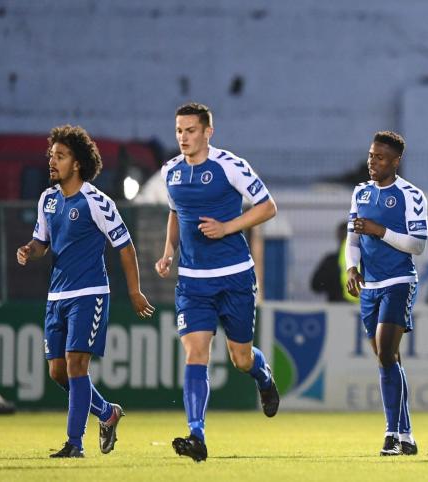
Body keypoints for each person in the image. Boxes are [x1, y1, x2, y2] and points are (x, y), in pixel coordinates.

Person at [17, 125, 154, 457]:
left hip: (89, 293)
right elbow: (42, 242)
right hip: (57, 296)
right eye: (52, 156)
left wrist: (135, 291)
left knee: (77, 366)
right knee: (58, 372)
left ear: (77, 164)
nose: (53, 162)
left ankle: (74, 444)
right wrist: (29, 250)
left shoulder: (96, 201)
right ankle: (107, 413)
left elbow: (125, 247)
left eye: (60, 157)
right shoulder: (47, 199)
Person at [155, 103, 279, 462]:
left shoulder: (229, 165)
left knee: (240, 359)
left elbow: (268, 207)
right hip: (193, 282)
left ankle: (264, 377)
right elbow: (175, 213)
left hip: (235, 277)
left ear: (208, 131)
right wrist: (168, 252)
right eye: (179, 130)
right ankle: (196, 434)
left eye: (190, 130)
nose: (183, 137)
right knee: (196, 353)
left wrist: (227, 227)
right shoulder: (171, 172)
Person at [345, 131, 427, 456]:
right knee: (387, 361)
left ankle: (391, 435)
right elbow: (352, 242)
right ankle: (406, 434)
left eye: (380, 157)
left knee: (385, 353)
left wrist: (380, 231)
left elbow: (418, 244)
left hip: (399, 281)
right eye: (370, 155)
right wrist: (352, 269)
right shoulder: (360, 193)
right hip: (371, 286)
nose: (372, 162)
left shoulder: (411, 195)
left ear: (395, 161)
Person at [310, 221, 357, 302]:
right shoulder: (366, 261)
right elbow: (316, 285)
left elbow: (316, 285)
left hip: (335, 308)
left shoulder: (331, 262)